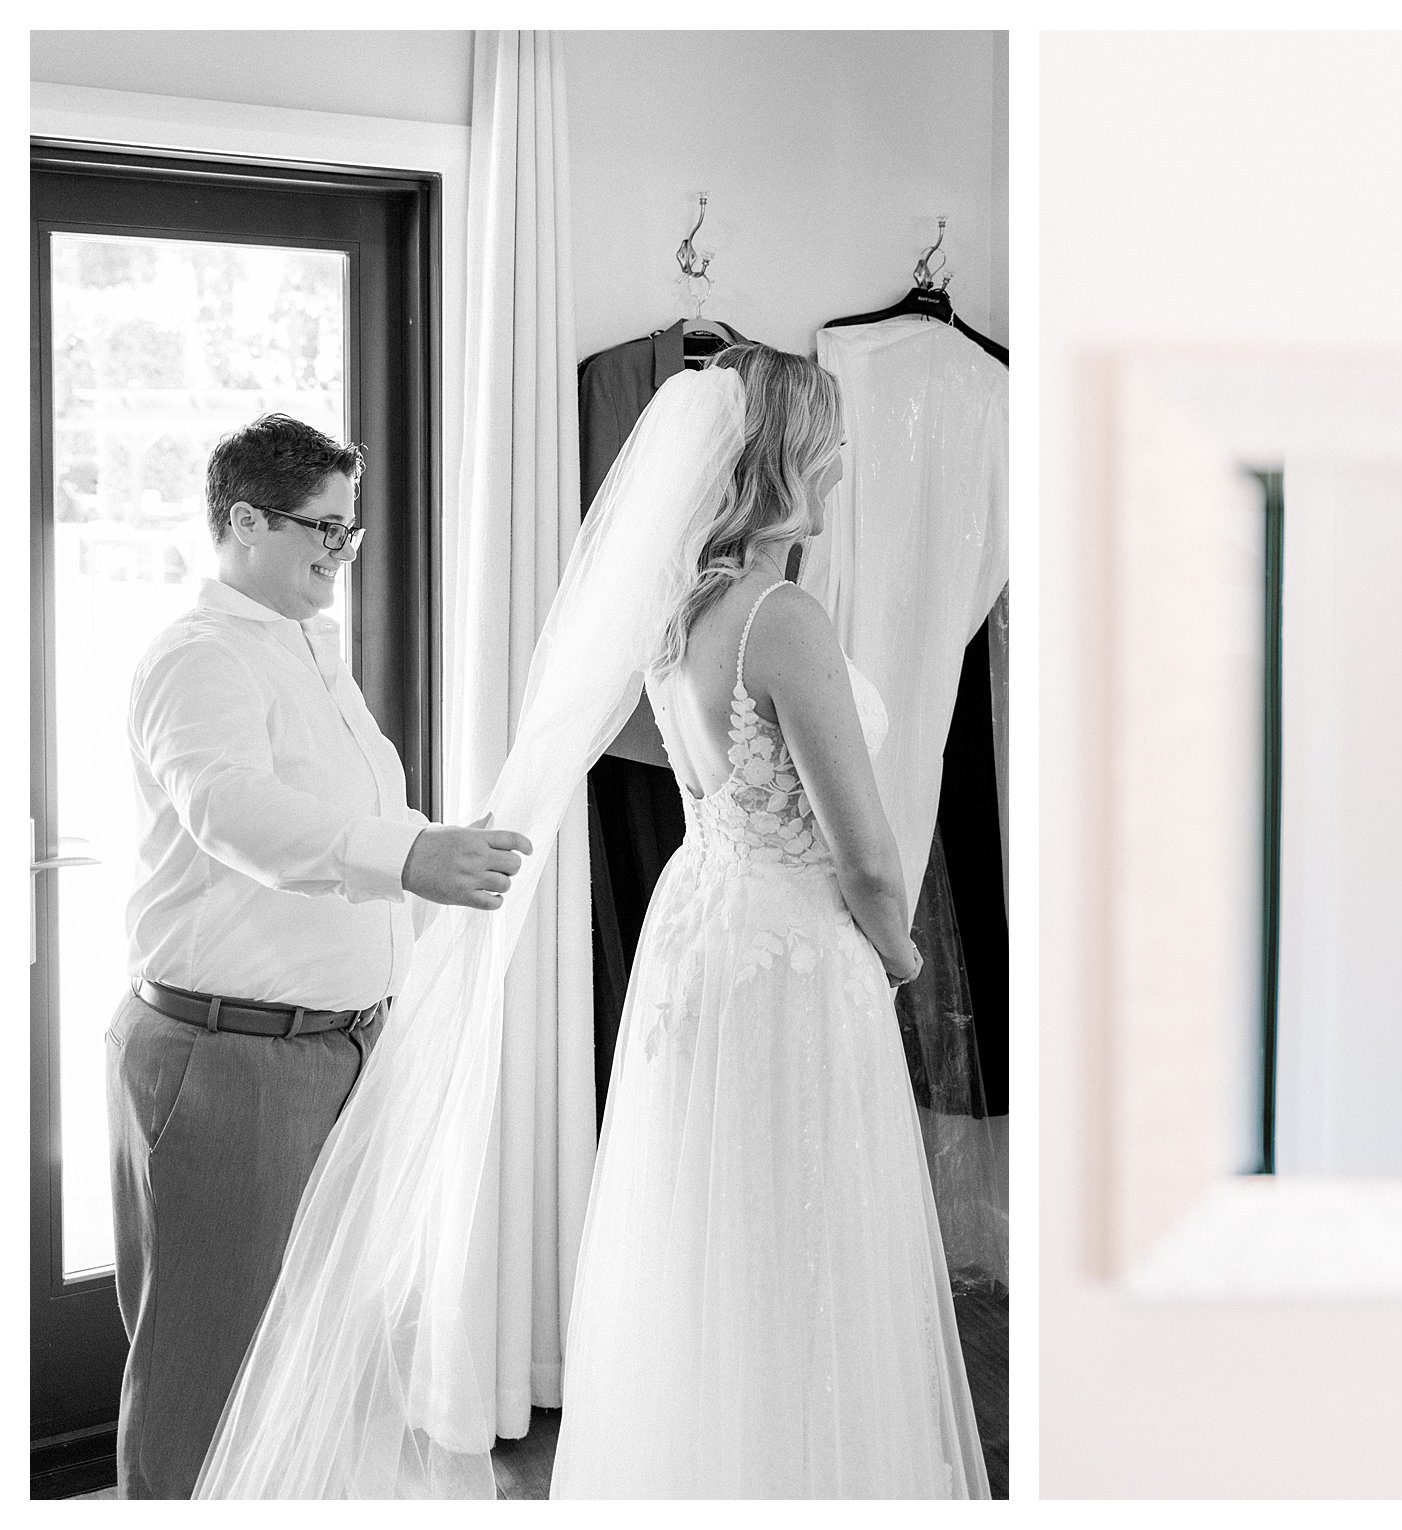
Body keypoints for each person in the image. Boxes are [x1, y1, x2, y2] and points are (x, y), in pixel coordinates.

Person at [196, 352, 986, 1498]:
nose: (846, 462)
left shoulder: (681, 614)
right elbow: (865, 855)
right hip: (794, 945)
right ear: (783, 457)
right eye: (831, 441)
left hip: (704, 931)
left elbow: (694, 770)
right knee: (804, 1228)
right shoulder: (786, 615)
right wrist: (903, 957)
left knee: (705, 1231)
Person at [109, 415, 530, 1498]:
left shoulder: (307, 651)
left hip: (343, 1049)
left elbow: (350, 816)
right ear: (244, 521)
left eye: (351, 530)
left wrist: (446, 842)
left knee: (313, 1345)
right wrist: (408, 856)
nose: (343, 553)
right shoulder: (197, 660)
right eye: (323, 529)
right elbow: (236, 817)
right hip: (230, 1056)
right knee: (210, 1359)